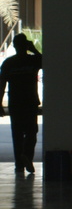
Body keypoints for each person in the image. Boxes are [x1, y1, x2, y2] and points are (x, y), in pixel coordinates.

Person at [0, 33, 43, 174]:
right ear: (26, 45)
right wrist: (34, 49)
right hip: (30, 102)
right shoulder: (33, 60)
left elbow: (2, 84)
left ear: (14, 46)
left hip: (15, 103)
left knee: (17, 134)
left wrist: (0, 103)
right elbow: (45, 61)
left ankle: (19, 164)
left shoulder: (8, 63)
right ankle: (27, 156)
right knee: (31, 132)